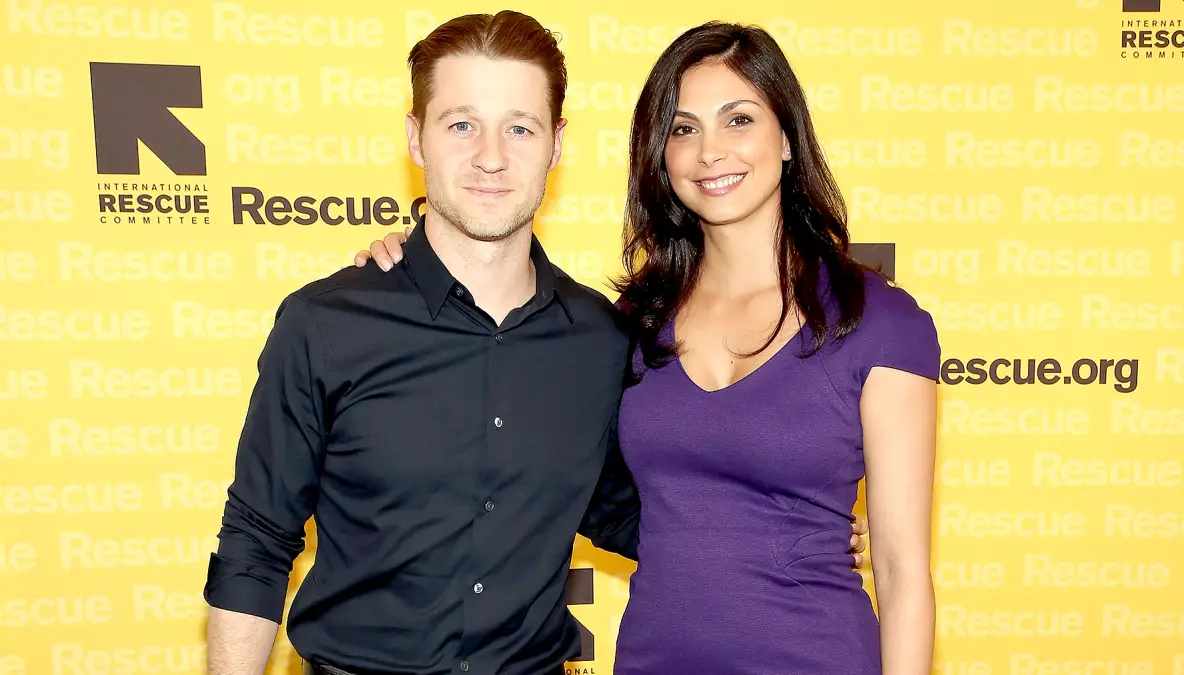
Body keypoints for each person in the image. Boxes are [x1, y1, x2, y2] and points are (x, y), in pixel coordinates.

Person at [205, 11, 867, 675]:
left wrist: (798, 526)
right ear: (416, 138)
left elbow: (640, 511)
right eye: (461, 124)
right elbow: (255, 544)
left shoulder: (606, 336)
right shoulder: (326, 324)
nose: (490, 156)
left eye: (519, 128)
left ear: (555, 144)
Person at [355, 20, 936, 675]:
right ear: (661, 154)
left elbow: (901, 567)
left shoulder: (882, 322)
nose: (710, 151)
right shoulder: (629, 324)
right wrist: (409, 271)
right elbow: (549, 466)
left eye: (738, 119)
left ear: (786, 139)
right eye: (683, 129)